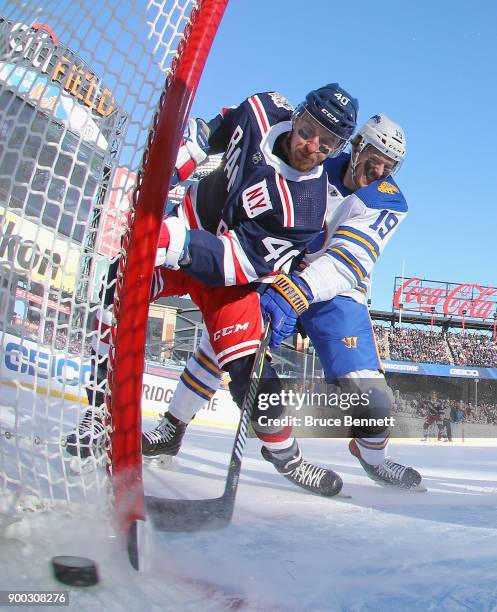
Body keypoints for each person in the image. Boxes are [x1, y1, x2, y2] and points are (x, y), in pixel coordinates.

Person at [67, 83, 359, 496]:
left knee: (253, 378)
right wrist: (184, 158)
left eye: (327, 143)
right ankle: (99, 413)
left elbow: (236, 262)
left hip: (228, 277)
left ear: (336, 149)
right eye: (309, 129)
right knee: (114, 294)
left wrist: (172, 242)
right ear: (298, 115)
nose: (312, 145)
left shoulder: (306, 210)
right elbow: (216, 130)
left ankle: (286, 456)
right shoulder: (263, 108)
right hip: (188, 224)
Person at [141, 114, 423, 491]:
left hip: (334, 290)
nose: (379, 170)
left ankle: (374, 458)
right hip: (277, 267)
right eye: (374, 156)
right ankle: (172, 426)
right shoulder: (321, 154)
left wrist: (295, 293)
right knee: (228, 342)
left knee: (372, 396)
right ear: (355, 145)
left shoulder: (388, 200)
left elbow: (347, 262)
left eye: (390, 166)